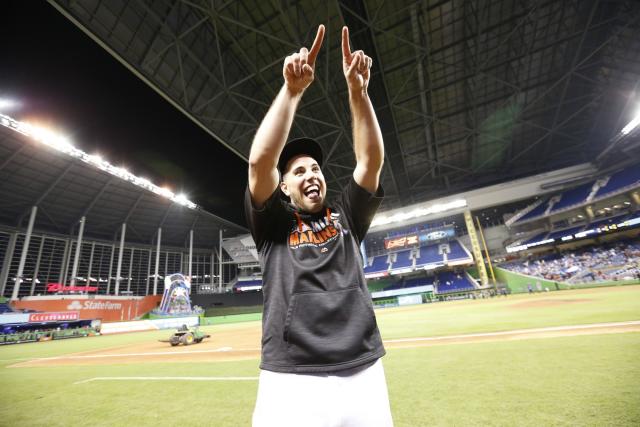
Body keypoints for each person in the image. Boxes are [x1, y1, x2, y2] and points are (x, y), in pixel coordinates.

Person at [245, 24, 393, 427]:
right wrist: (291, 92)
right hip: (291, 377)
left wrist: (359, 93)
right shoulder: (273, 222)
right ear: (285, 186)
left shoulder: (346, 215)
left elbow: (369, 161)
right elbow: (259, 163)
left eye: (315, 168)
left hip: (362, 369)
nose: (310, 173)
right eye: (298, 171)